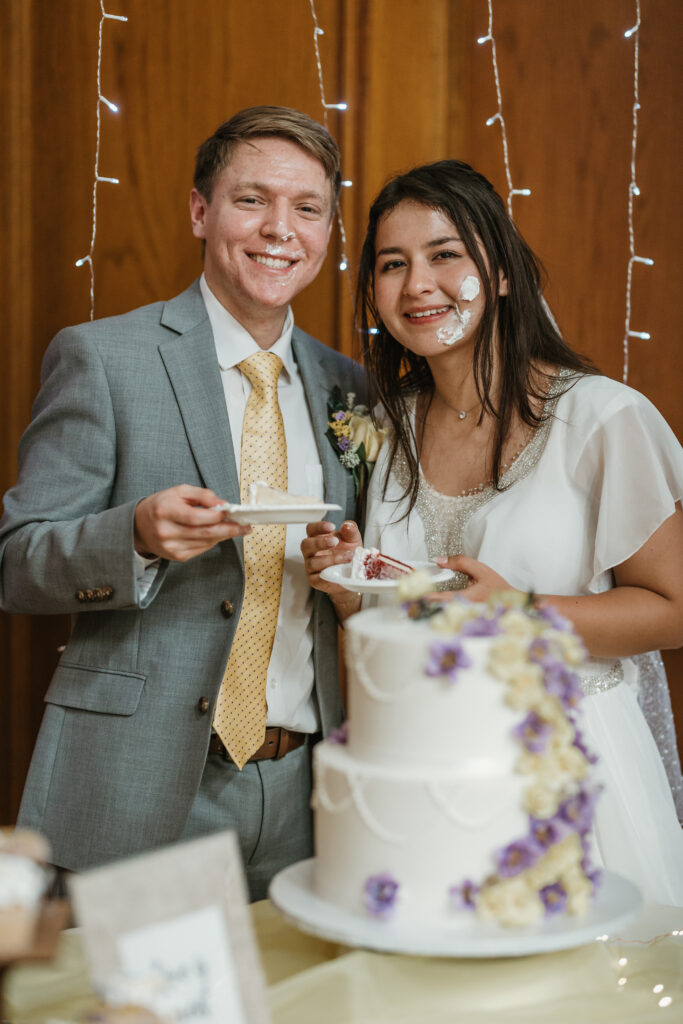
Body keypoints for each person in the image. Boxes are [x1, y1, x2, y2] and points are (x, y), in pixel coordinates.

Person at [0, 106, 365, 900]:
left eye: (306, 209)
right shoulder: (103, 356)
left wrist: (351, 571)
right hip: (141, 782)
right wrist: (131, 535)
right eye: (250, 200)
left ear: (328, 232)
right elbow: (16, 563)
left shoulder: (351, 388)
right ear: (200, 211)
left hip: (309, 790)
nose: (279, 229)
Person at [303, 159, 683, 906]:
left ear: (501, 273)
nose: (416, 284)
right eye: (391, 264)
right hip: (425, 760)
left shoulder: (601, 418)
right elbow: (411, 606)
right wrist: (354, 585)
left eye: (444, 255)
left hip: (564, 759)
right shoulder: (385, 428)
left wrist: (519, 613)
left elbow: (672, 609)